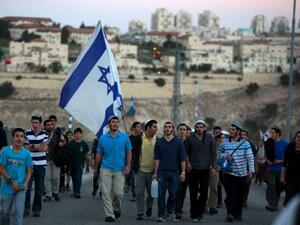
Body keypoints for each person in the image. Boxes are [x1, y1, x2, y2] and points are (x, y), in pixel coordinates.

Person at [94, 116, 132, 222]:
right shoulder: (103, 138)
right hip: (106, 168)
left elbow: (129, 151)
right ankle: (109, 215)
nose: (115, 124)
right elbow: (99, 153)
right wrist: (96, 168)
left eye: (117, 122)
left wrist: (128, 165)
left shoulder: (124, 137)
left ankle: (116, 208)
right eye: (113, 122)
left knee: (118, 193)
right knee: (106, 193)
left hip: (120, 169)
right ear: (109, 124)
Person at [219, 122, 254, 222]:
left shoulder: (245, 143)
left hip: (241, 174)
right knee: (229, 195)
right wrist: (225, 155)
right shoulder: (224, 142)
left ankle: (238, 214)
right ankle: (230, 214)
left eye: (233, 130)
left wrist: (250, 171)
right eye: (230, 129)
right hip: (228, 173)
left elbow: (250, 158)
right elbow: (218, 154)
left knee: (239, 196)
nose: (231, 131)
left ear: (238, 131)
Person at [153, 121, 186, 222]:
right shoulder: (159, 142)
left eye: (169, 127)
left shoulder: (178, 142)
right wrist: (155, 173)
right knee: (161, 194)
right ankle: (161, 215)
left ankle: (171, 210)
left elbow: (182, 159)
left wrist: (183, 172)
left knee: (173, 194)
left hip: (175, 172)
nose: (167, 128)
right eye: (165, 127)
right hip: (162, 172)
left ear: (172, 129)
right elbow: (157, 159)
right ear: (163, 129)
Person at [185, 120, 216, 222]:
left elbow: (213, 154)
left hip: (205, 169)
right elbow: (186, 153)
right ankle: (194, 214)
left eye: (201, 127)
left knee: (204, 192)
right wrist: (188, 163)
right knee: (193, 193)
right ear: (195, 128)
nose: (199, 129)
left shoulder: (210, 139)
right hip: (193, 168)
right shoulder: (190, 138)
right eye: (197, 127)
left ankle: (200, 213)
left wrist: (213, 167)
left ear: (204, 128)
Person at [0, 128, 32, 225]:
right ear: (13, 137)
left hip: (21, 187)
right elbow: (1, 168)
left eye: (21, 136)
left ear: (24, 139)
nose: (19, 138)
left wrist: (26, 183)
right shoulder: (5, 151)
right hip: (7, 187)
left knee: (18, 212)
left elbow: (29, 171)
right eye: (17, 136)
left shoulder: (27, 154)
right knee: (4, 213)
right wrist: (11, 181)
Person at [132, 120, 157, 220]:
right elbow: (132, 152)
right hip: (140, 171)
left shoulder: (157, 140)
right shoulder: (138, 139)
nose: (156, 129)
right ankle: (140, 212)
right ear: (148, 128)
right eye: (154, 127)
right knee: (139, 193)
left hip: (152, 172)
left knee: (152, 194)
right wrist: (133, 165)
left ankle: (149, 206)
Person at [24, 114, 48, 217]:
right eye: (33, 122)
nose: (35, 124)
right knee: (27, 188)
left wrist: (32, 146)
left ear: (40, 123)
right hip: (29, 164)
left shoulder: (44, 134)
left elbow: (44, 148)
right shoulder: (27, 133)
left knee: (39, 188)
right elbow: (25, 148)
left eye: (37, 122)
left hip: (41, 165)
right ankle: (26, 208)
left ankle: (36, 209)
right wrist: (38, 146)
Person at [265, 127, 288, 211]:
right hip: (271, 169)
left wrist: (279, 161)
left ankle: (274, 204)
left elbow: (288, 157)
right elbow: (266, 155)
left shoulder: (285, 143)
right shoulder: (269, 142)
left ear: (278, 134)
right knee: (271, 185)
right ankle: (271, 203)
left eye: (273, 133)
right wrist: (268, 161)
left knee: (278, 188)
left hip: (281, 169)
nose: (271, 135)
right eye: (270, 133)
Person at [43, 119, 64, 202]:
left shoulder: (58, 133)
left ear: (53, 125)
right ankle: (48, 195)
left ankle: (55, 192)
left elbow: (64, 141)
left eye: (51, 124)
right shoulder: (42, 134)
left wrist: (62, 143)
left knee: (55, 177)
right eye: (47, 125)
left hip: (56, 158)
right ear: (45, 126)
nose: (49, 126)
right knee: (47, 177)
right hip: (45, 159)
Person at [68, 127, 89, 199]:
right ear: (74, 135)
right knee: (73, 178)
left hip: (80, 164)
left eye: (79, 133)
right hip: (72, 164)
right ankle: (75, 191)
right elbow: (68, 154)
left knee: (78, 178)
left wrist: (87, 167)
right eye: (76, 133)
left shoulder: (84, 144)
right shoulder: (71, 143)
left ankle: (77, 192)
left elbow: (86, 156)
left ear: (81, 135)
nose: (78, 135)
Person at [174, 123, 189, 221]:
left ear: (187, 132)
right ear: (177, 131)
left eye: (184, 129)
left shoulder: (190, 142)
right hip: (175, 169)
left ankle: (179, 208)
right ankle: (177, 210)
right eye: (180, 129)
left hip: (187, 169)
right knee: (176, 190)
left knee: (183, 190)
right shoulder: (174, 141)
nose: (182, 131)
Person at [280, 131, 300, 205]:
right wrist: (282, 176)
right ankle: (288, 213)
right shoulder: (290, 146)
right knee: (289, 196)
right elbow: (285, 162)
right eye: (298, 137)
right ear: (295, 138)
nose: (299, 139)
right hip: (290, 176)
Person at [240, 129, 257, 208]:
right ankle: (238, 199)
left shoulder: (251, 145)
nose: (242, 136)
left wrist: (252, 170)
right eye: (241, 135)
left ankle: (244, 199)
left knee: (246, 185)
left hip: (247, 169)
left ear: (247, 136)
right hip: (238, 168)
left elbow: (254, 158)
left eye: (244, 135)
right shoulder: (236, 143)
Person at [127, 121, 142, 202]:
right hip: (133, 162)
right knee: (134, 179)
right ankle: (134, 194)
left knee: (140, 180)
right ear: (134, 128)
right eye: (138, 127)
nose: (139, 129)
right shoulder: (129, 139)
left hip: (142, 162)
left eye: (140, 127)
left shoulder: (143, 138)